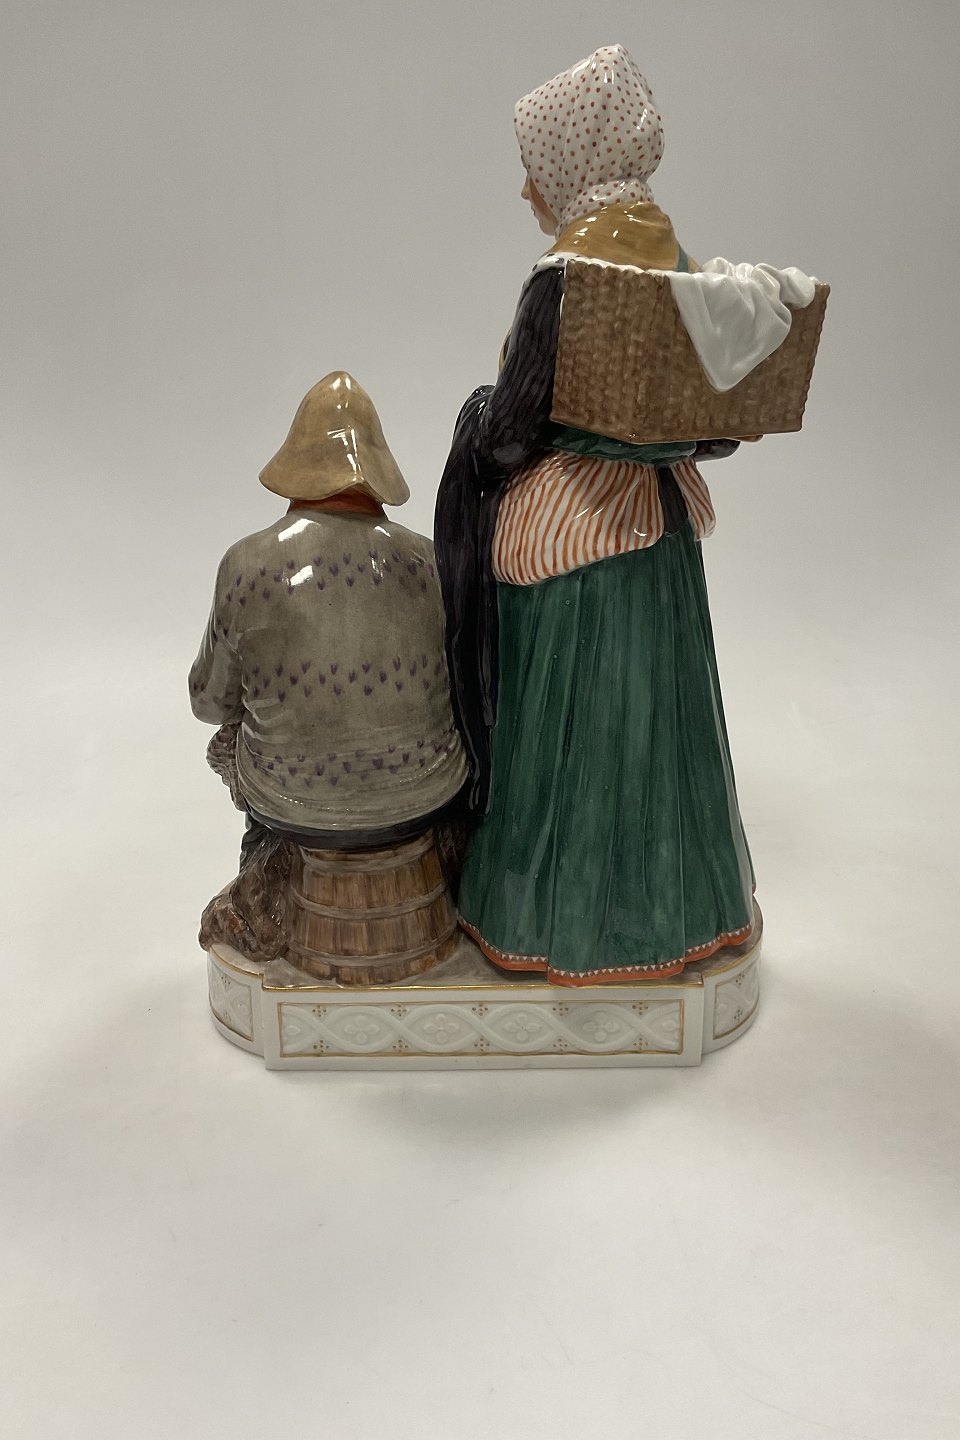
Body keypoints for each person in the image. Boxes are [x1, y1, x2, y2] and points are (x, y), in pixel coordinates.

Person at [434, 45, 756, 986]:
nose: (524, 189)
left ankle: (551, 918)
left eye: (533, 167)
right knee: (658, 721)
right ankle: (674, 915)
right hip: (660, 532)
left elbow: (510, 435)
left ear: (570, 164)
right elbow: (717, 426)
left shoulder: (565, 276)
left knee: (571, 728)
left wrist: (477, 422)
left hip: (573, 536)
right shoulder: (690, 272)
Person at [191, 372, 468, 963]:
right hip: (427, 791)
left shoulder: (245, 564)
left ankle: (262, 884)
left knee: (228, 741)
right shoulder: (428, 560)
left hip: (292, 802)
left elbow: (208, 702)